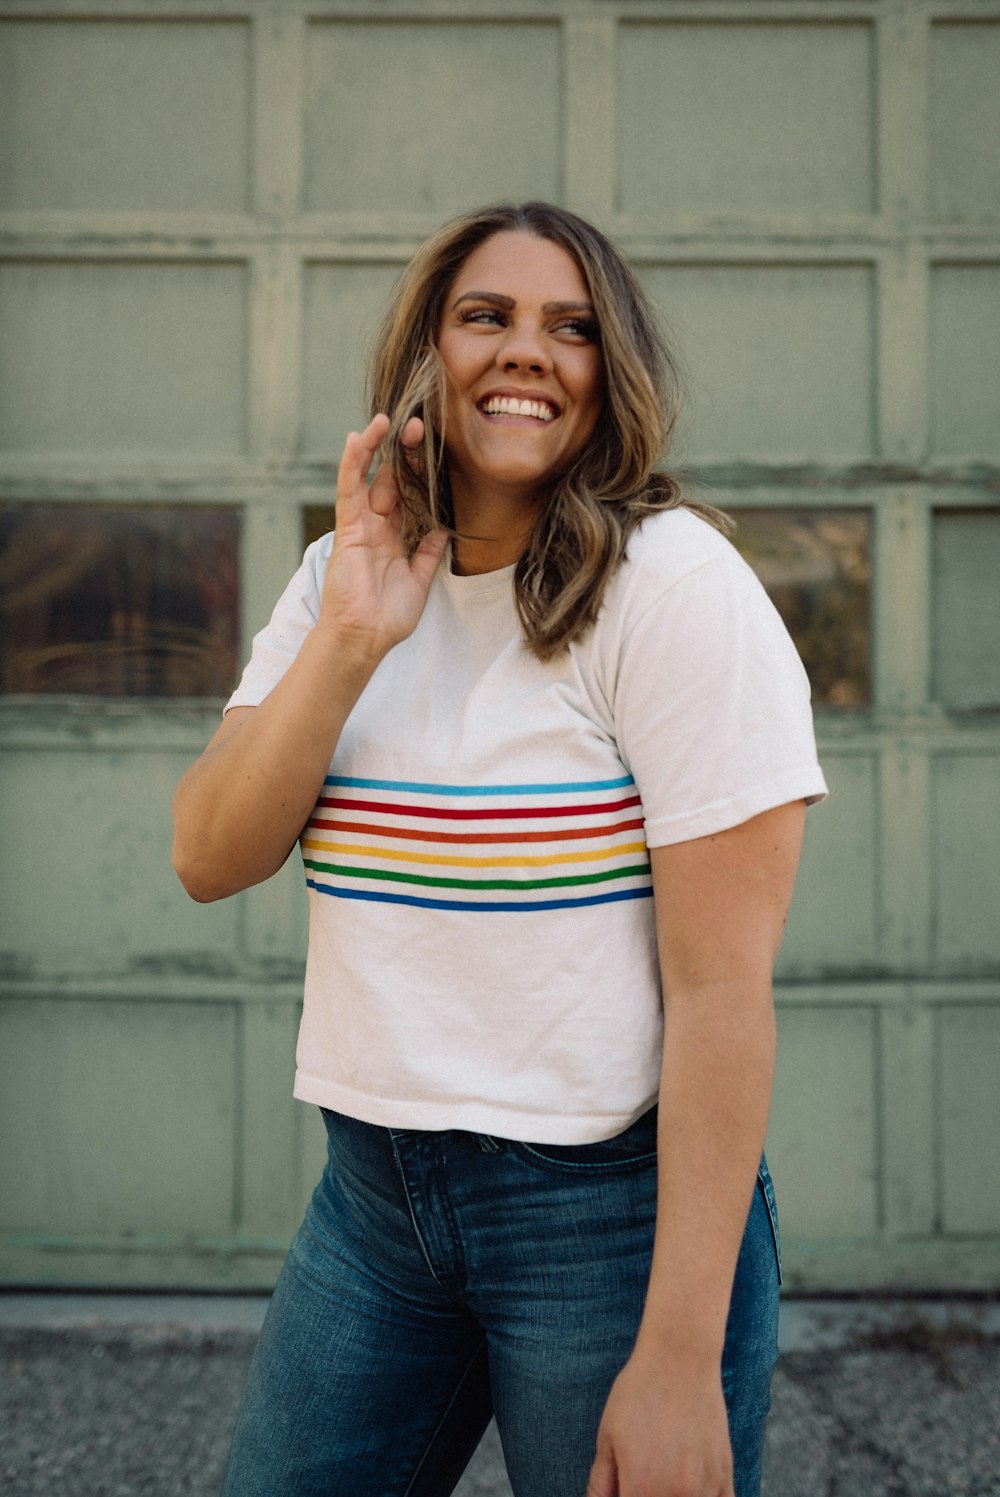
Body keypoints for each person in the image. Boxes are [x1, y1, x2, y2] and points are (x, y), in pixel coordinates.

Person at [172, 201, 827, 1497]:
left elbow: (720, 991)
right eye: (489, 315)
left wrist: (680, 1355)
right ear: (431, 349)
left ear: (610, 371)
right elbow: (209, 851)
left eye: (572, 327)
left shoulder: (673, 589)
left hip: (604, 1216)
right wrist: (357, 632)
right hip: (373, 1203)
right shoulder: (338, 575)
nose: (529, 349)